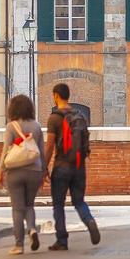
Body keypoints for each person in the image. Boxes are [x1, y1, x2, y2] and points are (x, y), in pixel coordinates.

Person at [43, 83, 99, 250]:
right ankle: (89, 220)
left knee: (58, 204)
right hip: (79, 166)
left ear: (56, 96)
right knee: (79, 201)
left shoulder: (54, 118)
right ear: (68, 96)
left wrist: (44, 167)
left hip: (61, 166)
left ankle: (62, 240)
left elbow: (50, 146)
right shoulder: (80, 116)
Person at [0, 94, 44, 255]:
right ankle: (32, 229)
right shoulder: (36, 126)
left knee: (17, 209)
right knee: (29, 205)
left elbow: (5, 150)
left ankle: (18, 245)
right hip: (34, 170)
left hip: (15, 172)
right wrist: (43, 173)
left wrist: (0, 171)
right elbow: (41, 153)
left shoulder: (11, 126)